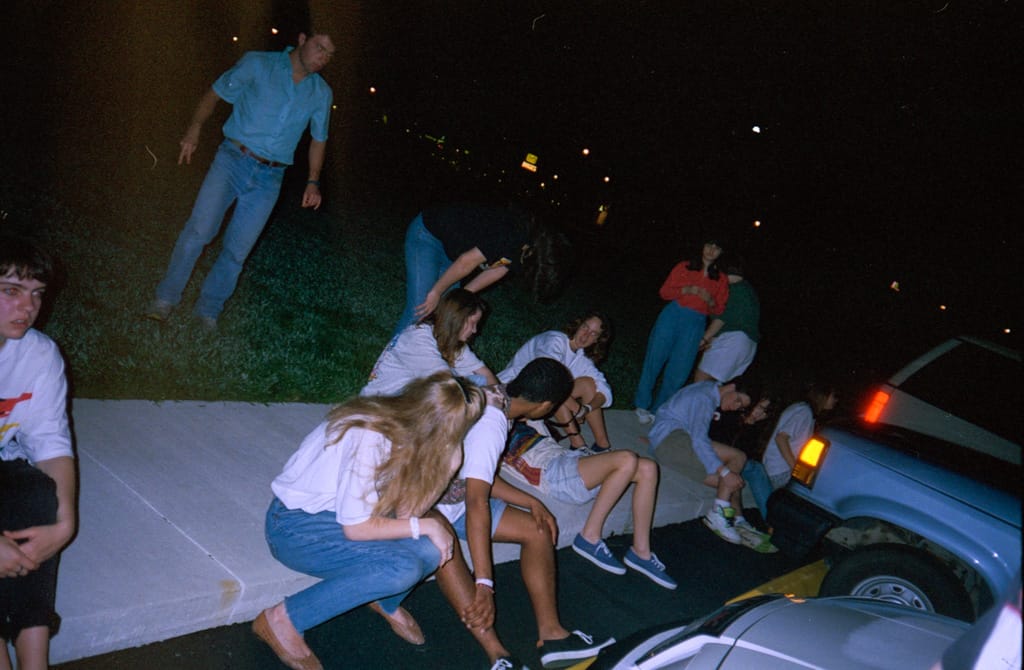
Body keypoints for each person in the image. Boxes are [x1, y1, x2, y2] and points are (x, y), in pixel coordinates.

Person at [253, 373, 485, 670]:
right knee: (401, 566)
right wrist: (428, 525)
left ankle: (383, 599)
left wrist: (448, 463)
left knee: (429, 549)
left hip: (340, 518)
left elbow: (407, 513)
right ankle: (282, 619)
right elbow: (358, 528)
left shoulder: (407, 429)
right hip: (294, 526)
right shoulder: (370, 435)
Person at [431, 359, 614, 669]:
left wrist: (531, 501)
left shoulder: (496, 396)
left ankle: (553, 636)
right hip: (425, 504)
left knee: (538, 529)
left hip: (456, 494)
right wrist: (484, 583)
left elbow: (480, 474)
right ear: (544, 406)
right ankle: (498, 657)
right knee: (442, 547)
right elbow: (477, 504)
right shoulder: (492, 423)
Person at [147, 30, 335, 329]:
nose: (322, 57)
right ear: (301, 39)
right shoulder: (258, 64)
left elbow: (318, 139)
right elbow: (215, 93)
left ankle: (208, 311)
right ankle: (166, 298)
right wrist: (194, 128)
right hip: (232, 160)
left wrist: (313, 181)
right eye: (319, 47)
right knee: (198, 232)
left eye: (328, 54)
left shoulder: (321, 94)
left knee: (237, 251)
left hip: (271, 177)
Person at [0, 238, 77, 670]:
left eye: (36, 293)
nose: (27, 307)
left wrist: (65, 524)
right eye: (10, 290)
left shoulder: (38, 354)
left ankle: (34, 659)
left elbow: (51, 442)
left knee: (38, 495)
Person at [502, 422, 677, 590]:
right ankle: (589, 537)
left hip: (567, 459)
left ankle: (641, 551)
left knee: (648, 468)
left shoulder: (520, 413)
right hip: (552, 473)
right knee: (626, 459)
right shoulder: (491, 426)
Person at [394, 202, 572, 336]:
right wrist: (436, 292)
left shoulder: (528, 252)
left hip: (452, 254)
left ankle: (417, 366)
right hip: (428, 236)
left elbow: (499, 269)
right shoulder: (514, 233)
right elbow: (466, 261)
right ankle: (385, 368)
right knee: (421, 309)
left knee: (447, 315)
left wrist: (460, 296)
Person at [647, 380, 763, 547]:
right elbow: (699, 441)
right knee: (738, 458)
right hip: (672, 440)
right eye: (737, 399)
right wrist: (724, 471)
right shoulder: (705, 398)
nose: (735, 406)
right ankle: (718, 513)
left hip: (667, 444)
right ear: (731, 387)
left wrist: (726, 474)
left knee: (730, 482)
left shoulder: (708, 389)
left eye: (741, 406)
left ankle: (738, 521)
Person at [634, 237, 730, 423]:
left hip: (696, 322)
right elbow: (664, 292)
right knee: (655, 358)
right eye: (708, 244)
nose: (711, 250)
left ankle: (658, 409)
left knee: (680, 368)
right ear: (702, 246)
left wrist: (709, 300)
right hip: (673, 315)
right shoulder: (684, 266)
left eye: (716, 247)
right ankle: (641, 404)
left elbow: (719, 309)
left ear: (721, 253)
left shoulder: (721, 278)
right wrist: (687, 289)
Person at [498, 311, 614, 453]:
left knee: (589, 384)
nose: (586, 335)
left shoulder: (581, 356)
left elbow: (604, 389)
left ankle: (602, 445)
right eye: (585, 327)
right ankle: (577, 443)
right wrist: (576, 409)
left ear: (597, 340)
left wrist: (586, 409)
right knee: (557, 387)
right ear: (578, 324)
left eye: (593, 333)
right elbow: (549, 378)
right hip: (514, 392)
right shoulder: (555, 340)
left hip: (543, 398)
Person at [362, 288, 498, 397]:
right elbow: (447, 384)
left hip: (409, 397)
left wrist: (502, 403)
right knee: (461, 394)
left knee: (481, 382)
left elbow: (486, 375)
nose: (475, 331)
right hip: (383, 401)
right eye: (472, 323)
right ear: (457, 319)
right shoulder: (419, 337)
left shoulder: (450, 340)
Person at [749, 383, 839, 517]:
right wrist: (795, 469)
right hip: (780, 470)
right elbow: (781, 438)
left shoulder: (803, 410)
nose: (836, 400)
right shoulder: (804, 412)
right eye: (834, 396)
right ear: (823, 396)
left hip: (778, 467)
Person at [693, 259, 760, 384]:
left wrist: (703, 339)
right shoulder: (747, 289)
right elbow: (736, 319)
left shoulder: (734, 290)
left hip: (734, 341)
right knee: (715, 388)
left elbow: (722, 319)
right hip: (747, 346)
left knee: (701, 381)